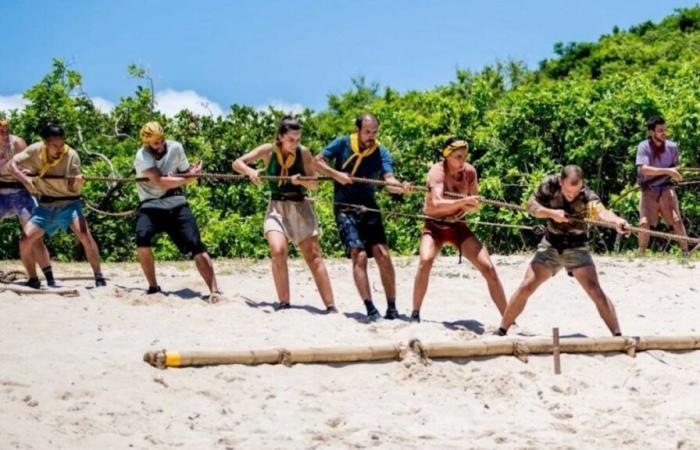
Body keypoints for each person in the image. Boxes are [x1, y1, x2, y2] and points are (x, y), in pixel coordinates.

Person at [497, 165, 629, 336]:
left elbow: (601, 212)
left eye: (576, 191)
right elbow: (530, 205)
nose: (571, 195)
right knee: (526, 286)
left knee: (594, 290)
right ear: (560, 182)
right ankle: (501, 330)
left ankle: (618, 335)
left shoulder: (587, 195)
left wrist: (617, 221)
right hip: (551, 244)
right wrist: (550, 213)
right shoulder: (549, 185)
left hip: (576, 246)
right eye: (568, 191)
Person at [233, 117, 337, 313]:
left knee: (314, 256)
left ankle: (331, 306)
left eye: (298, 139)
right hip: (276, 206)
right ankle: (284, 302)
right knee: (277, 250)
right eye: (291, 139)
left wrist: (301, 182)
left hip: (300, 206)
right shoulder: (267, 150)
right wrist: (250, 171)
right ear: (280, 137)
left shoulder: (303, 153)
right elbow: (237, 163)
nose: (295, 143)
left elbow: (314, 184)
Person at [315, 113, 412, 322]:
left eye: (374, 132)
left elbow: (389, 179)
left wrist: (401, 188)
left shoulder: (381, 151)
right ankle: (370, 308)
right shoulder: (342, 143)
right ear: (358, 130)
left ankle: (392, 307)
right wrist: (336, 175)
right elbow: (317, 161)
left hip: (369, 207)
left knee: (383, 255)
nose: (371, 136)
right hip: (344, 207)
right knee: (358, 255)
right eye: (367, 132)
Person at [410, 137, 508, 323]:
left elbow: (474, 203)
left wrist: (470, 205)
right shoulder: (436, 172)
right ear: (447, 156)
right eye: (458, 156)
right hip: (434, 225)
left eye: (464, 156)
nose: (462, 161)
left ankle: (508, 317)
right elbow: (437, 203)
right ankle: (415, 313)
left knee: (488, 268)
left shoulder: (470, 172)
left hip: (458, 225)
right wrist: (462, 202)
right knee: (425, 261)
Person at [7, 123, 105, 288]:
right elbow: (11, 165)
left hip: (69, 203)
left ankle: (98, 276)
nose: (59, 148)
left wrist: (79, 184)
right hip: (45, 205)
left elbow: (73, 189)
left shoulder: (72, 155)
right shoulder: (35, 150)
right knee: (25, 240)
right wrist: (26, 180)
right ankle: (33, 279)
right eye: (54, 145)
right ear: (45, 143)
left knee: (85, 235)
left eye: (62, 144)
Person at [133, 121, 221, 302]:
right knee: (142, 237)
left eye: (162, 140)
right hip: (151, 205)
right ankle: (153, 287)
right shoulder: (142, 156)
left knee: (195, 244)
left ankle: (214, 290)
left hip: (177, 202)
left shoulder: (176, 147)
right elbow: (160, 182)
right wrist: (187, 179)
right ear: (147, 143)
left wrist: (191, 173)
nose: (160, 145)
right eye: (155, 142)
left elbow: (185, 171)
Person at [0, 118, 55, 286]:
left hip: (21, 192)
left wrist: (22, 175)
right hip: (1, 193)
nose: (4, 134)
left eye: (6, 130)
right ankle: (33, 278)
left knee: (34, 237)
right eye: (1, 131)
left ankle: (48, 277)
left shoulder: (17, 143)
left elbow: (26, 168)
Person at [636, 116, 688, 256]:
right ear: (652, 132)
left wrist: (677, 173)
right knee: (644, 223)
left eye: (665, 129)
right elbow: (643, 169)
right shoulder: (643, 146)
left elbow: (675, 167)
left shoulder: (672, 147)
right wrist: (667, 171)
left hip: (666, 188)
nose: (664, 132)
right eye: (660, 130)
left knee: (676, 220)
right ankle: (641, 254)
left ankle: (685, 253)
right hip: (648, 189)